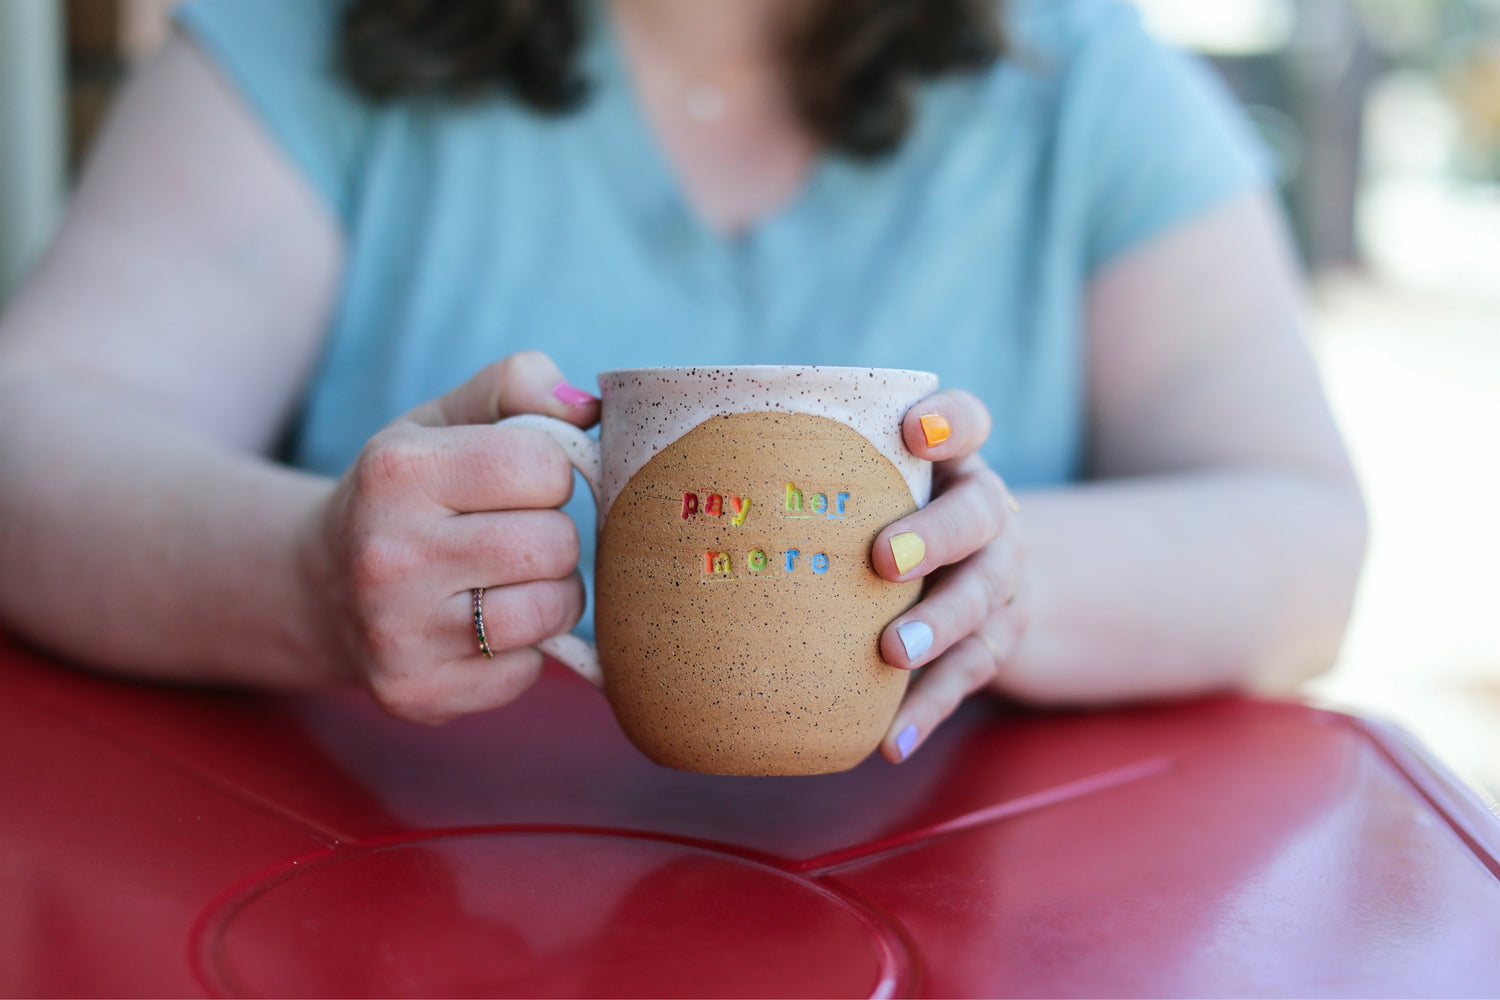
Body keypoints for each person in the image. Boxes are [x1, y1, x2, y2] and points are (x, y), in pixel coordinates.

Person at [0, 0, 1365, 764]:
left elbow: (1308, 547)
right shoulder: (307, 47)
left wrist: (985, 582)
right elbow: (32, 437)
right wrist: (303, 575)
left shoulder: (1084, 83)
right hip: (386, 910)